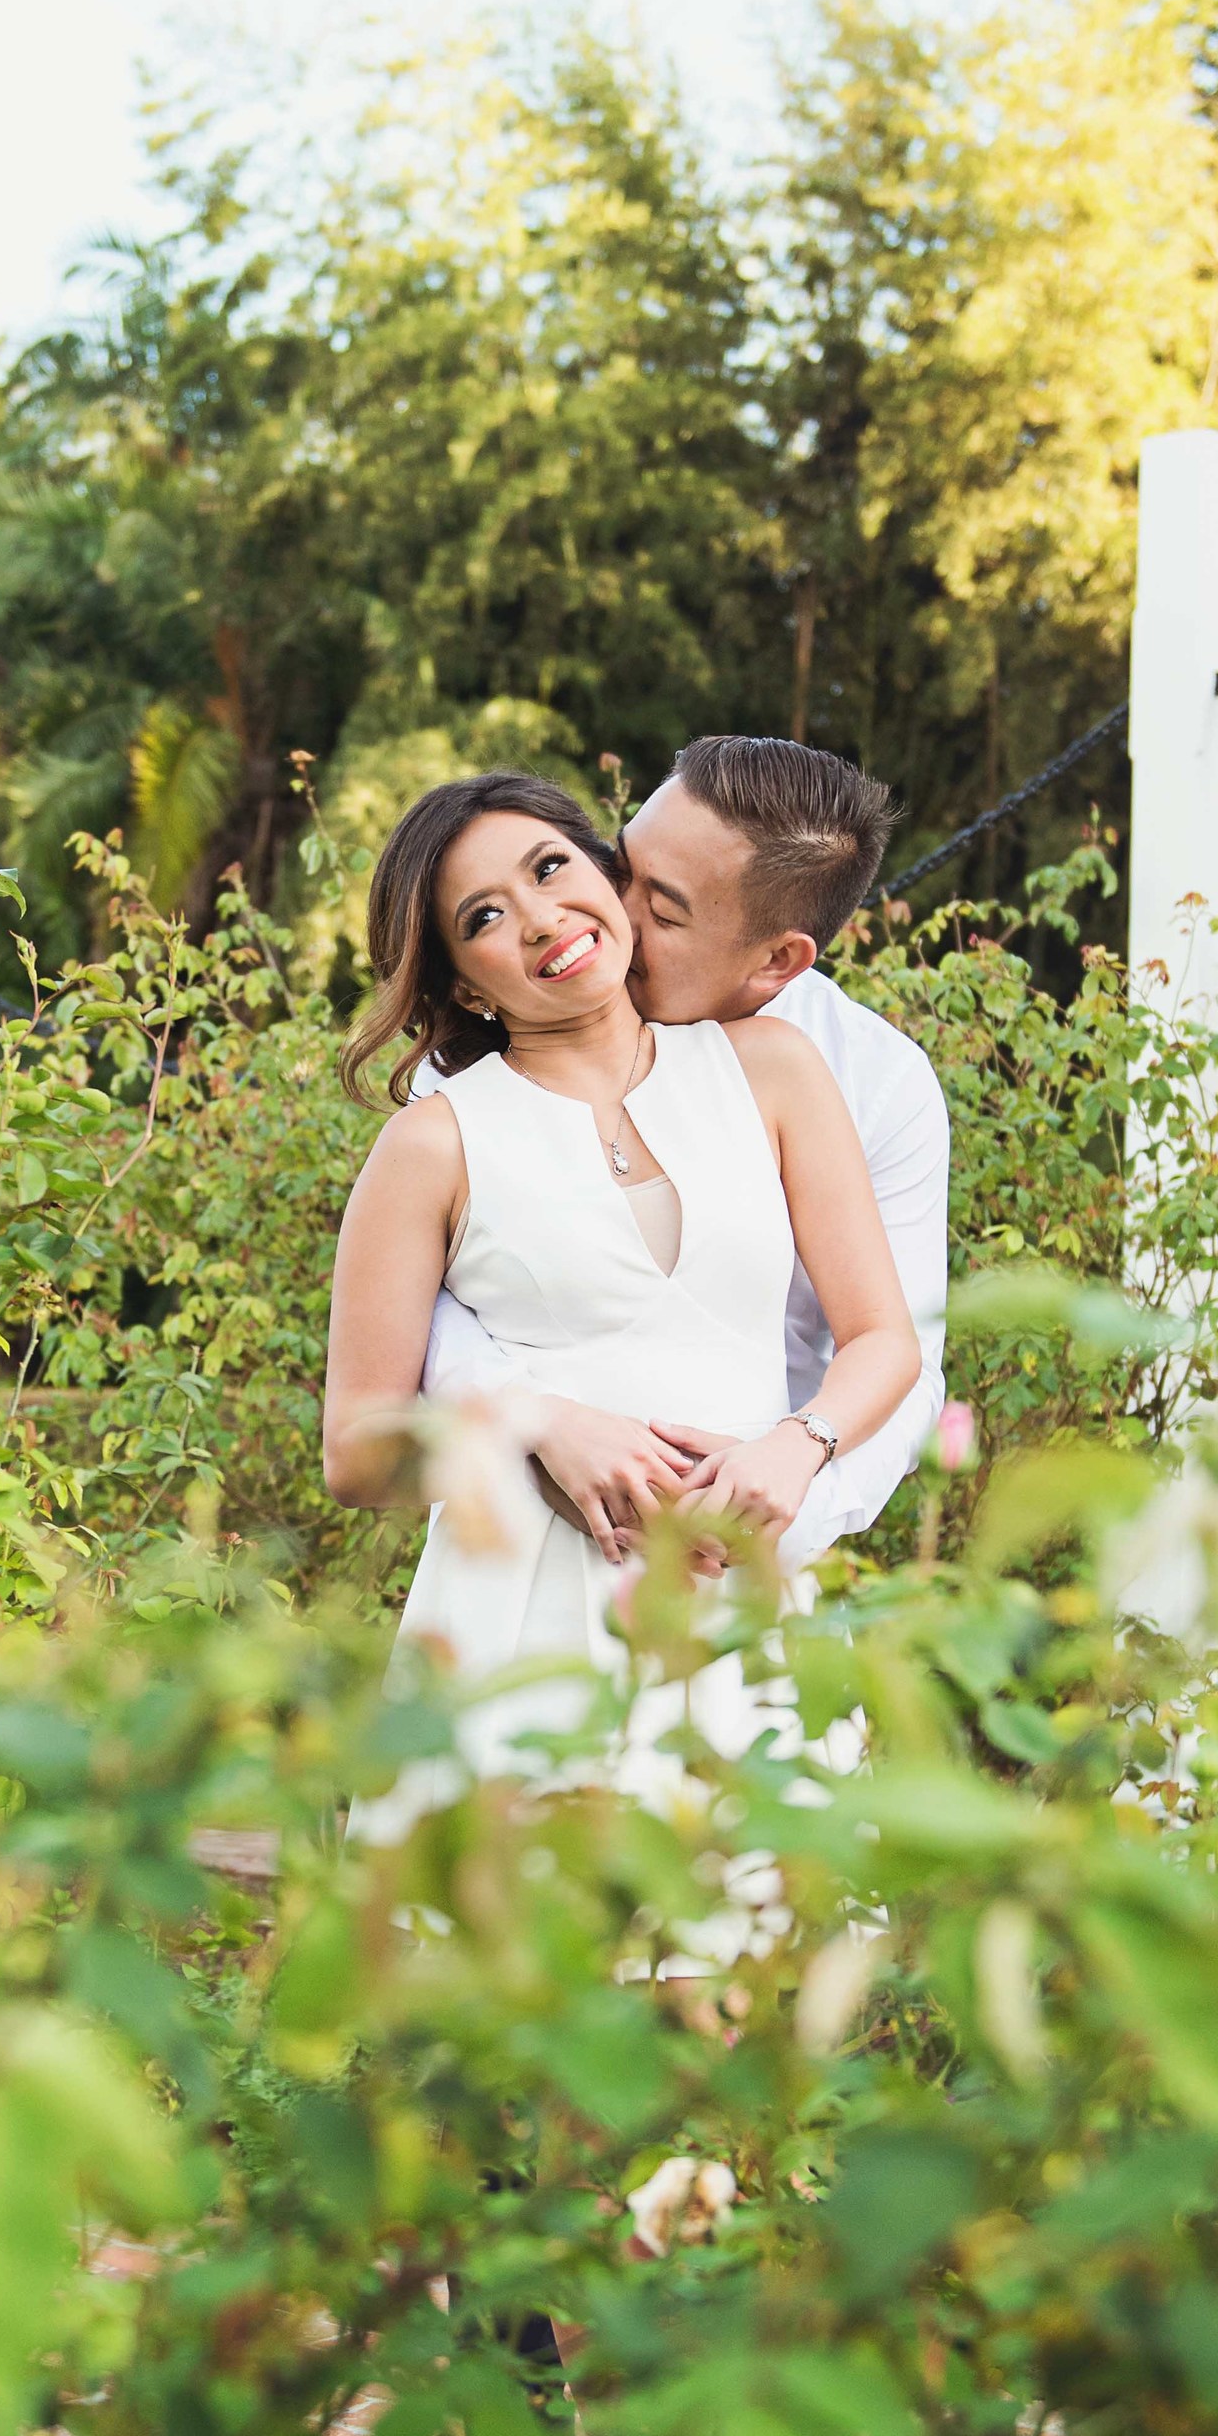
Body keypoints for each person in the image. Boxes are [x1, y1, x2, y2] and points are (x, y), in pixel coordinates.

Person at [323, 768, 920, 1810]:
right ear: (465, 983)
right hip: (521, 1618)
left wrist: (798, 1444)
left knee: (735, 1959)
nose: (541, 917)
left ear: (602, 872)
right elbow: (357, 1449)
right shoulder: (430, 1143)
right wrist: (533, 1421)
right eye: (484, 917)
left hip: (737, 1597)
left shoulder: (774, 1071)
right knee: (520, 1960)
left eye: (552, 867)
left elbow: (883, 1336)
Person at [417, 737, 947, 1566]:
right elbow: (432, 1312)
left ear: (778, 960)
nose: (597, 917)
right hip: (528, 1527)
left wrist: (765, 1510)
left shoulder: (871, 1082)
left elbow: (897, 1352)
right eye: (616, 865)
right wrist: (535, 1422)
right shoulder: (489, 1048)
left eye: (660, 911)